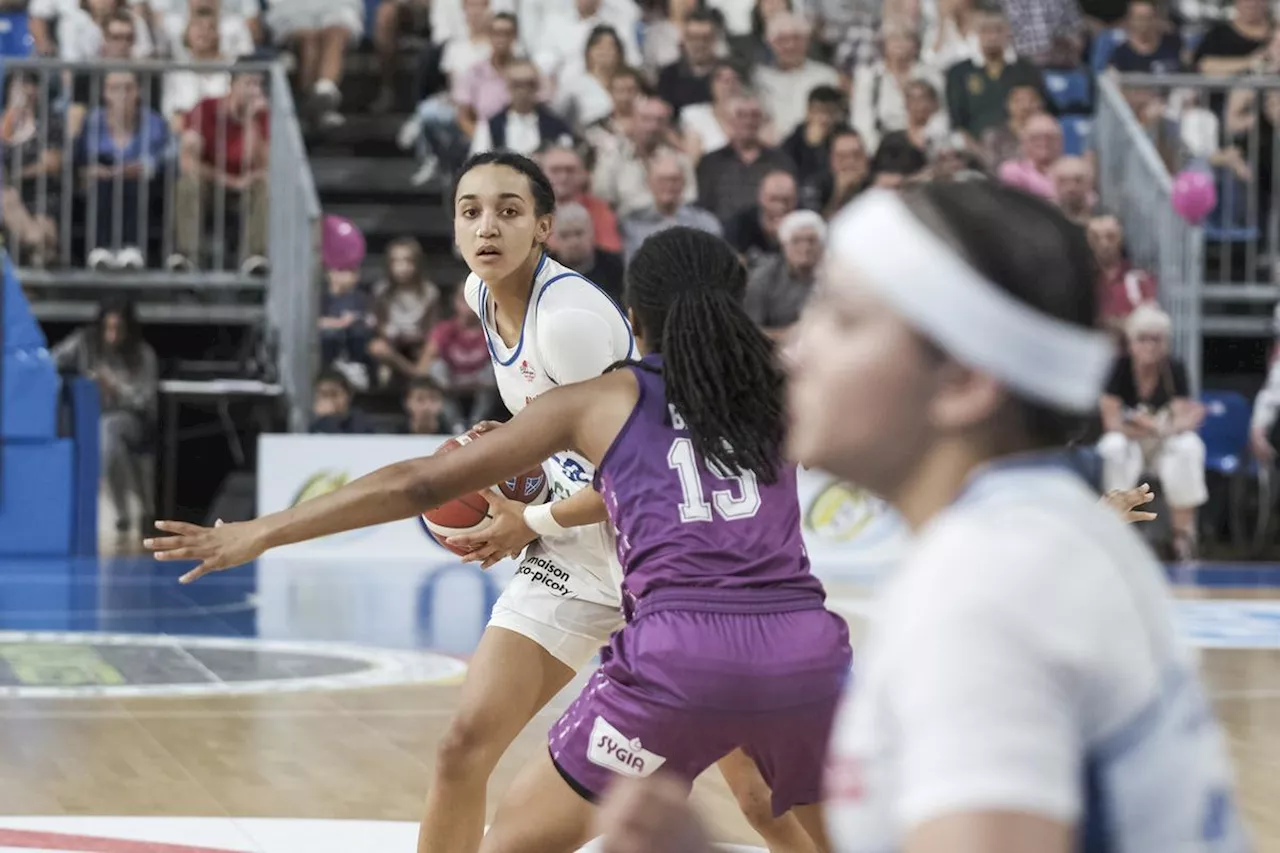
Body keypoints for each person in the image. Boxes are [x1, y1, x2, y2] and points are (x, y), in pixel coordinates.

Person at [146, 225, 850, 853]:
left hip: (680, 654)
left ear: (633, 318)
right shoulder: (781, 396)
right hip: (805, 652)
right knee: (807, 824)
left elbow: (422, 483)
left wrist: (264, 530)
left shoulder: (600, 399)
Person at [596, 182, 1247, 853]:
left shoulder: (983, 595)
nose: (795, 351)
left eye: (845, 319)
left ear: (963, 381)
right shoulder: (1025, 541)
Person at [1099, 304, 1207, 560]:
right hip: (1131, 442)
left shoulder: (1174, 369)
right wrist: (1152, 426)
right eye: (1143, 339)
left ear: (1166, 343)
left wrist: (1154, 427)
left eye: (1156, 339)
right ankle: (1114, 532)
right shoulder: (1118, 369)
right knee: (1113, 446)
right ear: (1130, 343)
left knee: (1188, 446)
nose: (1150, 346)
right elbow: (1112, 422)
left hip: (1160, 445)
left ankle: (1182, 537)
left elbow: (1182, 420)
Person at [53, 298, 158, 535]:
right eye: (108, 328)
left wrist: (115, 389)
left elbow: (146, 400)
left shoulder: (143, 354)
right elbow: (52, 360)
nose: (112, 335)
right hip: (87, 416)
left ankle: (123, 511)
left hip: (130, 419)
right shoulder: (84, 343)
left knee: (108, 431)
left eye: (118, 329)